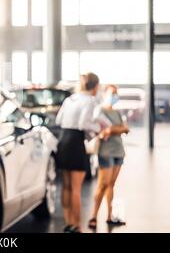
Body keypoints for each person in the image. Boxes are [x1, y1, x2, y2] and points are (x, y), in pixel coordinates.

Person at [55, 73, 101, 233]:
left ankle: (68, 222)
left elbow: (58, 120)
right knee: (76, 188)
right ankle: (77, 226)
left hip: (63, 140)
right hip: (75, 142)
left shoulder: (70, 99)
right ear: (95, 86)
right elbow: (84, 124)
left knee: (66, 186)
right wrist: (98, 130)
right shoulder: (89, 101)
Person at [88, 85, 129, 229]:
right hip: (106, 152)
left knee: (111, 185)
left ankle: (109, 215)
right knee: (103, 184)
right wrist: (116, 129)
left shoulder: (117, 112)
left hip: (119, 151)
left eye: (116, 93)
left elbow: (125, 128)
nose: (115, 96)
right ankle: (93, 215)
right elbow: (101, 130)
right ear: (105, 94)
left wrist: (112, 129)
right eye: (113, 93)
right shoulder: (99, 110)